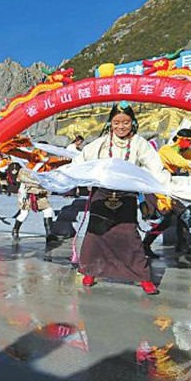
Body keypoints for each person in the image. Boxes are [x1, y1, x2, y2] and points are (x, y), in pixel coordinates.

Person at [71, 102, 169, 295]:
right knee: (95, 236)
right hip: (102, 195)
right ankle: (90, 271)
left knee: (130, 236)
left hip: (126, 196)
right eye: (116, 123)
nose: (121, 127)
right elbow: (80, 161)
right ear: (110, 123)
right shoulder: (101, 143)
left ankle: (143, 277)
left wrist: (165, 185)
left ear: (133, 123)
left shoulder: (139, 143)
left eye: (125, 122)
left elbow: (155, 166)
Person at [141, 129, 191, 259]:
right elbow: (180, 162)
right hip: (155, 187)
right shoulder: (167, 150)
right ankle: (145, 245)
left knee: (183, 214)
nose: (190, 144)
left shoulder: (180, 151)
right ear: (179, 139)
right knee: (166, 219)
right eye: (187, 141)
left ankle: (182, 245)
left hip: (166, 187)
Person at [11, 166, 63, 257]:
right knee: (24, 214)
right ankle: (15, 230)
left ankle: (49, 234)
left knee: (48, 210)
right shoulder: (26, 169)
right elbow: (22, 181)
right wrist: (22, 196)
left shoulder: (45, 168)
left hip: (40, 194)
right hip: (27, 195)